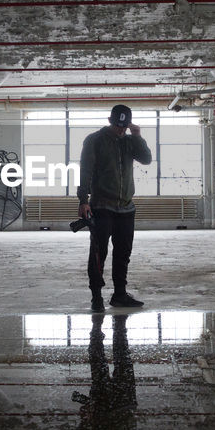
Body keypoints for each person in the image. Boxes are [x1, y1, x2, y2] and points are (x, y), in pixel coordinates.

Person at [77, 104, 153, 313]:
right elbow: (85, 171)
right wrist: (83, 200)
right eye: (118, 126)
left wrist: (136, 135)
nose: (120, 130)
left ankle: (119, 294)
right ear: (110, 120)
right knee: (99, 253)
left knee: (123, 253)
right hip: (102, 206)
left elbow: (146, 159)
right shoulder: (94, 140)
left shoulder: (129, 141)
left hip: (126, 208)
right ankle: (96, 297)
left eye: (124, 126)